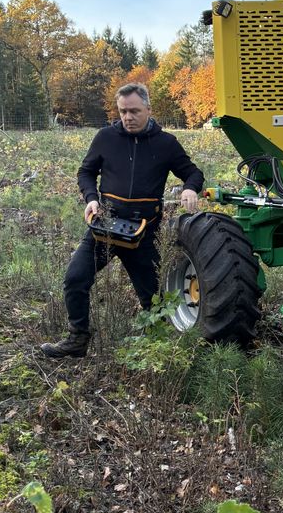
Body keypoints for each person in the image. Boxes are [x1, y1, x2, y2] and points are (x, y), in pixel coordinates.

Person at [41, 83, 204, 358]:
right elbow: (85, 172)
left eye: (134, 111)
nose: (128, 117)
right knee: (75, 278)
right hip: (105, 226)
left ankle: (159, 350)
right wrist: (91, 198)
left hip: (143, 232)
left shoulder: (166, 144)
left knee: (153, 298)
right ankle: (77, 339)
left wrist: (190, 188)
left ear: (148, 110)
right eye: (123, 111)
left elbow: (193, 173)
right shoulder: (106, 138)